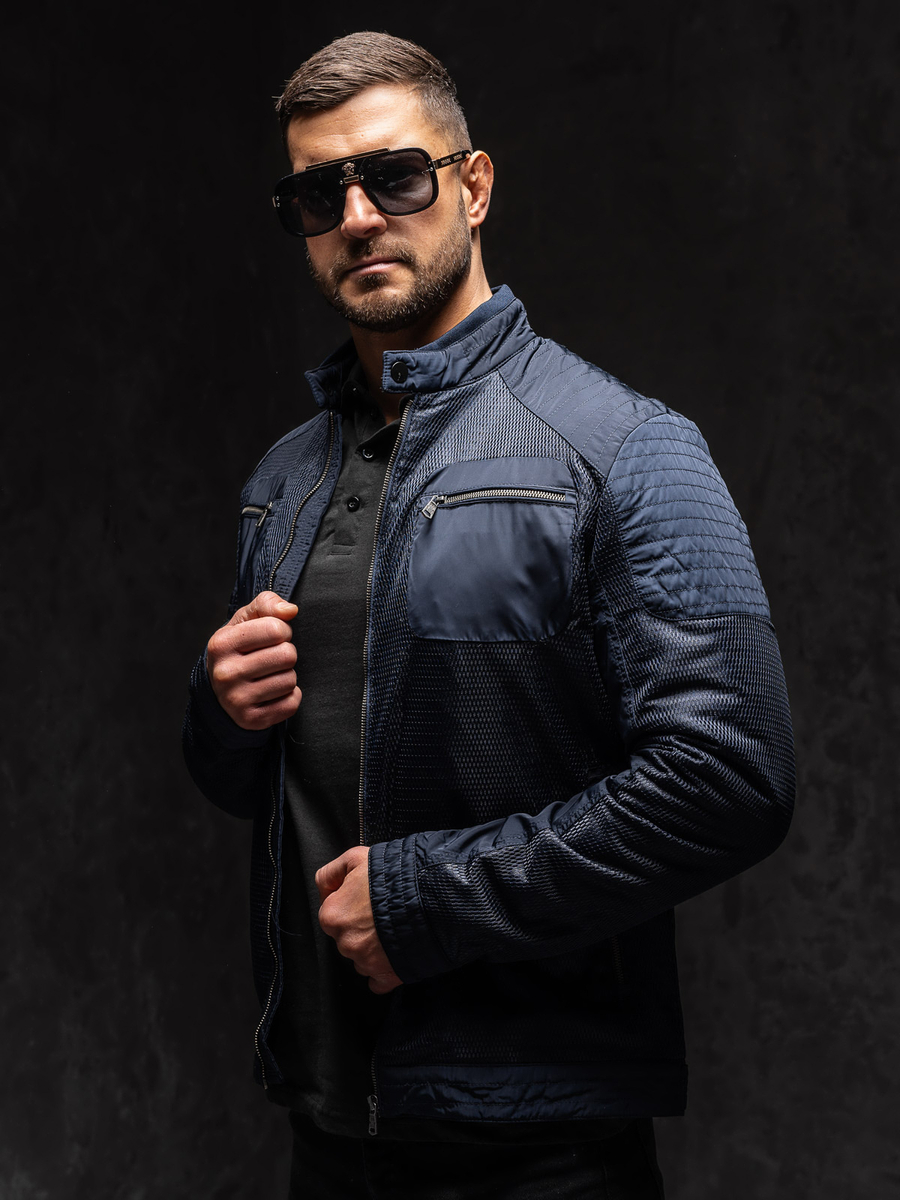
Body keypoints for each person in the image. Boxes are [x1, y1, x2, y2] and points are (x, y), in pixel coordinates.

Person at [183, 31, 795, 1199]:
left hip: (543, 1151)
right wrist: (224, 713)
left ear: (472, 186)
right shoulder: (285, 480)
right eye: (317, 194)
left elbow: (732, 778)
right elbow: (253, 786)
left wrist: (427, 902)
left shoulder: (624, 449)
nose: (357, 216)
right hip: (329, 1127)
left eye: (393, 177)